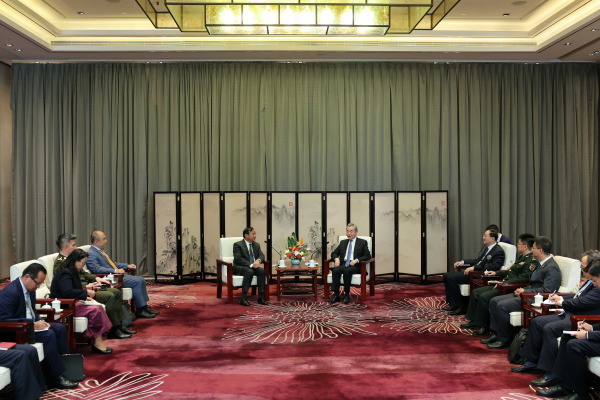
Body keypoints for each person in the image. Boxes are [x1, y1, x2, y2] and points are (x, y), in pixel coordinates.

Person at [512, 251, 600, 395]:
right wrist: (561, 298)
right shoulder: (592, 282)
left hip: (580, 317)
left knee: (551, 329)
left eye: (584, 267)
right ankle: (532, 362)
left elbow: (583, 302)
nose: (582, 270)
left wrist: (562, 303)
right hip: (574, 316)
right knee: (537, 322)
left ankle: (552, 375)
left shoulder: (596, 286)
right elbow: (578, 296)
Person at [0, 263, 78, 389]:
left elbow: (32, 310)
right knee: (48, 335)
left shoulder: (30, 289)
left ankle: (68, 369)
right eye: (37, 283)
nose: (38, 287)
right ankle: (56, 377)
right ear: (27, 276)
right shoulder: (10, 292)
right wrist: (32, 325)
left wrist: (40, 320)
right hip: (18, 331)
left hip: (30, 327)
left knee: (60, 328)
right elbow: (4, 320)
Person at [485, 236, 562, 349]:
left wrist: (525, 291)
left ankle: (504, 340)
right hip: (527, 293)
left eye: (534, 248)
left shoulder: (551, 267)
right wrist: (523, 290)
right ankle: (496, 334)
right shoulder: (542, 263)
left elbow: (547, 290)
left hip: (534, 298)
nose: (532, 250)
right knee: (494, 301)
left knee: (502, 306)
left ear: (540, 251)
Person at [54, 233, 134, 338]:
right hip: (79, 292)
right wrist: (86, 288)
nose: (76, 247)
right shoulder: (62, 263)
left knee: (116, 292)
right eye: (73, 245)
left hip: (84, 288)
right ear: (65, 247)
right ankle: (113, 329)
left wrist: (95, 278)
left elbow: (83, 274)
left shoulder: (73, 259)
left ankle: (120, 324)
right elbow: (67, 287)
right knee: (109, 296)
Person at [461, 233, 537, 336]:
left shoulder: (532, 260)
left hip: (509, 287)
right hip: (504, 283)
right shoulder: (521, 257)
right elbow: (510, 272)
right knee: (476, 292)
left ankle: (483, 326)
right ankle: (474, 321)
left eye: (519, 244)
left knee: (484, 297)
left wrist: (505, 283)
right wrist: (496, 273)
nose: (517, 245)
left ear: (525, 246)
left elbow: (524, 278)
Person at [51, 249, 115, 354]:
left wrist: (84, 296)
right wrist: (86, 293)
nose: (83, 265)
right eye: (83, 263)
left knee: (98, 307)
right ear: (75, 260)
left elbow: (74, 289)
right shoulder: (65, 273)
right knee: (96, 310)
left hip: (71, 302)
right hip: (64, 306)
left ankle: (98, 341)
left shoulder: (72, 271)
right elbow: (67, 291)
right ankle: (98, 343)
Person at [86, 231, 158, 319]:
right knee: (138, 281)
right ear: (96, 242)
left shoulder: (101, 251)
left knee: (141, 279)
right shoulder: (91, 253)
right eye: (104, 239)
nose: (106, 241)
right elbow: (96, 269)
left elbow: (113, 263)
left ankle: (144, 307)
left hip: (116, 275)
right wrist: (115, 271)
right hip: (111, 278)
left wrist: (127, 266)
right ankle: (140, 310)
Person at [442, 228, 505, 315]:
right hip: (475, 271)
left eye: (485, 236)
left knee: (451, 278)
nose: (483, 237)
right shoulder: (488, 248)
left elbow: (494, 266)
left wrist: (474, 267)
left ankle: (460, 306)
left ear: (492, 238)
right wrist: (463, 262)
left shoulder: (498, 251)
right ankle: (453, 304)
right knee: (446, 275)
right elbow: (478, 260)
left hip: (479, 274)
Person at [329, 223, 372, 305]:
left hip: (356, 265)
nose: (349, 233)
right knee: (335, 271)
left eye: (351, 231)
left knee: (347, 271)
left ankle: (346, 295)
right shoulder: (343, 242)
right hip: (344, 264)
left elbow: (368, 255)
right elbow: (334, 253)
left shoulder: (362, 242)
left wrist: (357, 260)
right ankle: (336, 295)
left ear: (356, 232)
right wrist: (336, 259)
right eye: (347, 231)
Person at [232, 227, 268, 306]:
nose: (255, 236)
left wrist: (258, 261)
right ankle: (243, 298)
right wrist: (251, 265)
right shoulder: (238, 245)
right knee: (249, 271)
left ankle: (261, 297)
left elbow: (262, 255)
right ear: (246, 235)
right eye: (253, 234)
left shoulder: (256, 245)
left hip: (253, 266)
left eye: (255, 234)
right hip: (241, 267)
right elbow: (238, 259)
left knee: (261, 271)